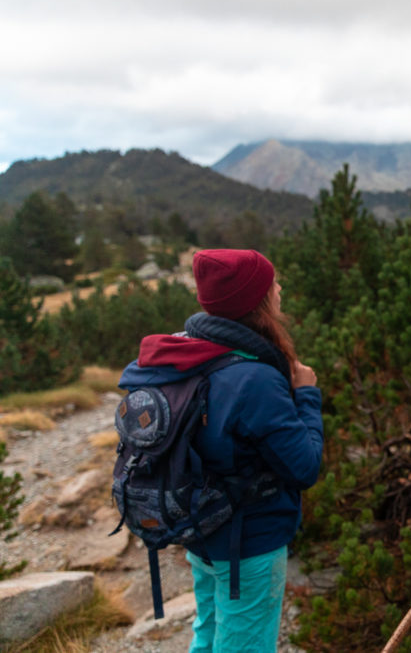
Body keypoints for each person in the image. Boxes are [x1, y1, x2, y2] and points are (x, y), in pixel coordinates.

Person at [118, 249, 324, 653]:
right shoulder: (254, 379)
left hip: (201, 528)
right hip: (249, 543)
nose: (280, 289)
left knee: (210, 634)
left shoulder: (187, 354)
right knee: (242, 643)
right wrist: (307, 395)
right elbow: (304, 467)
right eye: (272, 285)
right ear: (257, 302)